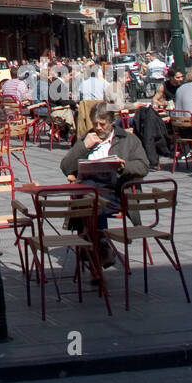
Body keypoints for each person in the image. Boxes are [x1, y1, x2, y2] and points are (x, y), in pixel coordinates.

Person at [60, 103, 149, 264]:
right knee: (89, 198)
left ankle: (95, 247)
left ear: (112, 122)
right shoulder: (86, 138)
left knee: (88, 202)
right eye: (95, 124)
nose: (98, 128)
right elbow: (65, 167)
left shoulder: (128, 140)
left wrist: (123, 165)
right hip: (89, 193)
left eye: (102, 124)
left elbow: (143, 166)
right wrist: (83, 146)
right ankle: (100, 247)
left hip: (116, 192)